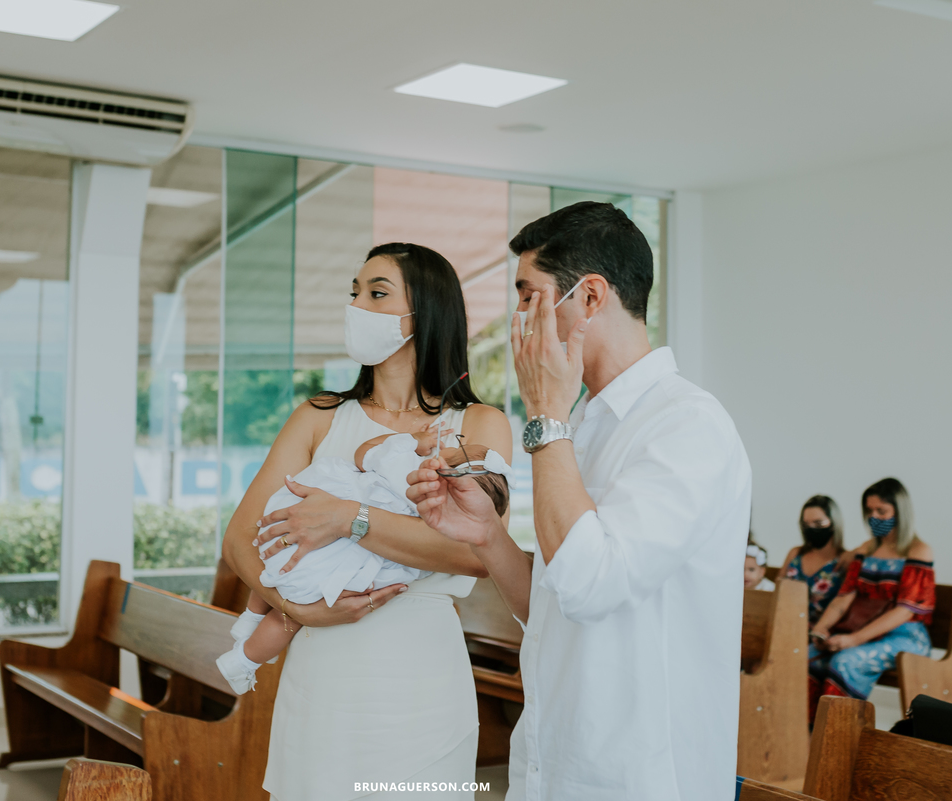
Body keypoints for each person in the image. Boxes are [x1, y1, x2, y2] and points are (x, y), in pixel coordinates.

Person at [407, 201, 752, 801]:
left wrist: (544, 415)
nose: (517, 319)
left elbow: (593, 583)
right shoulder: (584, 422)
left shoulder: (687, 424)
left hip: (639, 776)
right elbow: (555, 604)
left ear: (590, 298)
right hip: (556, 762)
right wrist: (487, 534)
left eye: (527, 295)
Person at [220, 242, 512, 801]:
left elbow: (476, 552)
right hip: (323, 669)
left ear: (426, 312)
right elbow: (238, 539)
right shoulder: (318, 417)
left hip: (422, 672)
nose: (357, 306)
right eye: (354, 292)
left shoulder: (476, 424)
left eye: (377, 293)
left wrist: (349, 518)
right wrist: (293, 607)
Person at [216, 426, 511, 695]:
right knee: (290, 610)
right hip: (344, 560)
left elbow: (364, 453)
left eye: (449, 452)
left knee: (280, 562)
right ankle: (243, 660)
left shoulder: (407, 468)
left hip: (310, 530)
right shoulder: (439, 517)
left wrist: (412, 441)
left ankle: (249, 621)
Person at [807, 478, 934, 721]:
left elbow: (904, 611)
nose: (874, 517)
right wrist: (821, 629)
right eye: (869, 511)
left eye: (881, 511)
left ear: (900, 511)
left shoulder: (918, 551)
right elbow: (843, 598)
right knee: (808, 655)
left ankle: (836, 735)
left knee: (845, 661)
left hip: (905, 636)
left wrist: (854, 639)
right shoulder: (865, 549)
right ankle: (805, 732)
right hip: (864, 629)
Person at [780, 495, 847, 624]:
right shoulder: (795, 554)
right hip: (786, 624)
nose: (811, 529)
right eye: (806, 524)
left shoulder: (844, 560)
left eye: (818, 523)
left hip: (821, 630)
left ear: (833, 523)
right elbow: (778, 590)